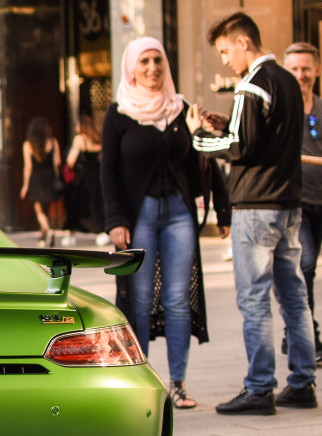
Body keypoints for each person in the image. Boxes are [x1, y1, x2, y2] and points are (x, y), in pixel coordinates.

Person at [190, 12, 316, 414]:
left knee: (254, 298)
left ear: (243, 42)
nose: (225, 60)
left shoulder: (252, 84)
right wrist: (227, 124)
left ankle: (260, 387)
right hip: (288, 205)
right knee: (294, 297)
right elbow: (265, 138)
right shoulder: (287, 83)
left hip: (257, 206)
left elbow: (240, 148)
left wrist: (200, 136)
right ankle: (302, 382)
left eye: (226, 51)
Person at [102, 37, 232, 410]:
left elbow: (204, 160)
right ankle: (143, 384)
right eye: (144, 62)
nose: (152, 69)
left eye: (158, 61)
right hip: (138, 217)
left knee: (177, 300)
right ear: (131, 67)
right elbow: (108, 171)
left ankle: (178, 384)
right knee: (139, 301)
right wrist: (115, 219)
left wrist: (223, 209)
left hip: (178, 214)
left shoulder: (182, 109)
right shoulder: (119, 113)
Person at [284, 42, 322, 358]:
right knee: (306, 265)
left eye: (306, 68)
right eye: (294, 69)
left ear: (317, 70)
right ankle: (306, 335)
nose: (301, 75)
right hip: (297, 204)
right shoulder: (283, 113)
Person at [20, 117, 62, 246]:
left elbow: (28, 167)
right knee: (46, 209)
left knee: (39, 210)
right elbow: (58, 162)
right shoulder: (52, 142)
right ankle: (43, 236)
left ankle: (48, 231)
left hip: (36, 178)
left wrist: (25, 185)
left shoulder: (28, 145)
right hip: (49, 177)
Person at [66, 114, 105, 241]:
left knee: (78, 205)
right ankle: (100, 232)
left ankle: (72, 233)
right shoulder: (98, 139)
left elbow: (70, 161)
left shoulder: (79, 139)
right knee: (96, 205)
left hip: (83, 179)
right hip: (97, 178)